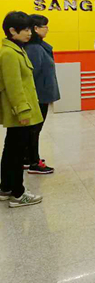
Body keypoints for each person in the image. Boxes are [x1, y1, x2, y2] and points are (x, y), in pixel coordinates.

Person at [0, 12, 44, 207]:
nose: (29, 32)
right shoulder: (9, 53)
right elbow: (14, 87)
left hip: (20, 110)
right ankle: (18, 194)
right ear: (12, 30)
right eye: (25, 29)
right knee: (17, 153)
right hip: (20, 112)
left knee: (11, 150)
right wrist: (23, 112)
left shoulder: (16, 49)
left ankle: (5, 188)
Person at [24, 14, 60, 175]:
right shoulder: (34, 49)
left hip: (41, 94)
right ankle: (34, 161)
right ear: (36, 28)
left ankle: (27, 157)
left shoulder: (39, 46)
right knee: (34, 130)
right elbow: (31, 75)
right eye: (45, 26)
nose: (47, 29)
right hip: (38, 96)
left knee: (34, 129)